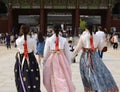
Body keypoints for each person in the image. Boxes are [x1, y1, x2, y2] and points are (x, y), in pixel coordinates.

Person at [72, 23, 119, 92]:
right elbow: (100, 48)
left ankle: (92, 89)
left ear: (86, 28)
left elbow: (77, 49)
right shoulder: (96, 37)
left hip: (85, 57)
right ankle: (99, 88)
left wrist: (71, 55)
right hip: (95, 56)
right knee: (98, 72)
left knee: (88, 74)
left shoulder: (83, 37)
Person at [43, 24, 75, 92]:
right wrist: (68, 64)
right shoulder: (64, 39)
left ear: (52, 30)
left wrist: (45, 62)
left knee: (53, 76)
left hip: (51, 58)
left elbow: (45, 53)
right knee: (63, 76)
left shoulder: (48, 39)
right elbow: (67, 53)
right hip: (62, 58)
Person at [14, 25, 41, 92]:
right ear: (29, 31)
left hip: (21, 59)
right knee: (33, 77)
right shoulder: (33, 40)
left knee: (22, 76)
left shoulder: (18, 40)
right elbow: (35, 51)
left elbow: (19, 50)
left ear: (21, 31)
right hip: (31, 60)